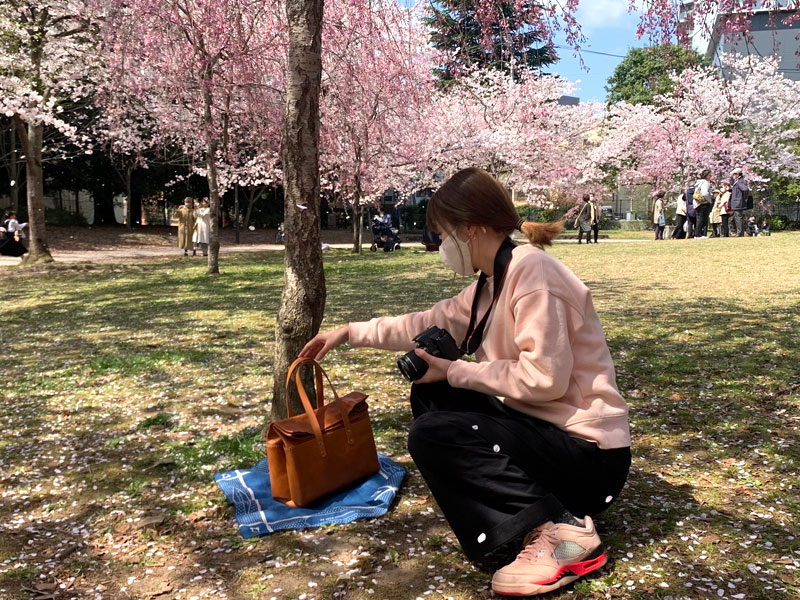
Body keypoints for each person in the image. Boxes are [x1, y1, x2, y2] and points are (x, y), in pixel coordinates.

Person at [300, 167, 631, 597]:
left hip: (591, 459)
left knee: (434, 431)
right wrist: (348, 332)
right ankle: (535, 516)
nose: (440, 246)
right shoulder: (490, 284)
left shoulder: (533, 274)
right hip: (547, 437)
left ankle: (566, 534)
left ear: (471, 228)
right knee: (431, 391)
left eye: (442, 233)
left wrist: (456, 370)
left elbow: (545, 379)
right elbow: (425, 323)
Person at [729, 168, 749, 237]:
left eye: (734, 174)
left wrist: (745, 198)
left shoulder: (740, 181)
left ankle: (740, 233)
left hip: (738, 202)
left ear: (737, 174)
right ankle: (739, 232)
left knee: (738, 218)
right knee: (737, 218)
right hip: (737, 202)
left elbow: (745, 189)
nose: (733, 176)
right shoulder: (737, 181)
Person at [693, 169, 713, 239]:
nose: (710, 177)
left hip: (698, 203)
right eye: (710, 175)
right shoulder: (705, 183)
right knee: (703, 219)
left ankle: (697, 234)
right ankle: (701, 234)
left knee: (699, 218)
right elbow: (705, 193)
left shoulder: (698, 183)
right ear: (706, 176)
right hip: (704, 203)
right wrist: (709, 199)